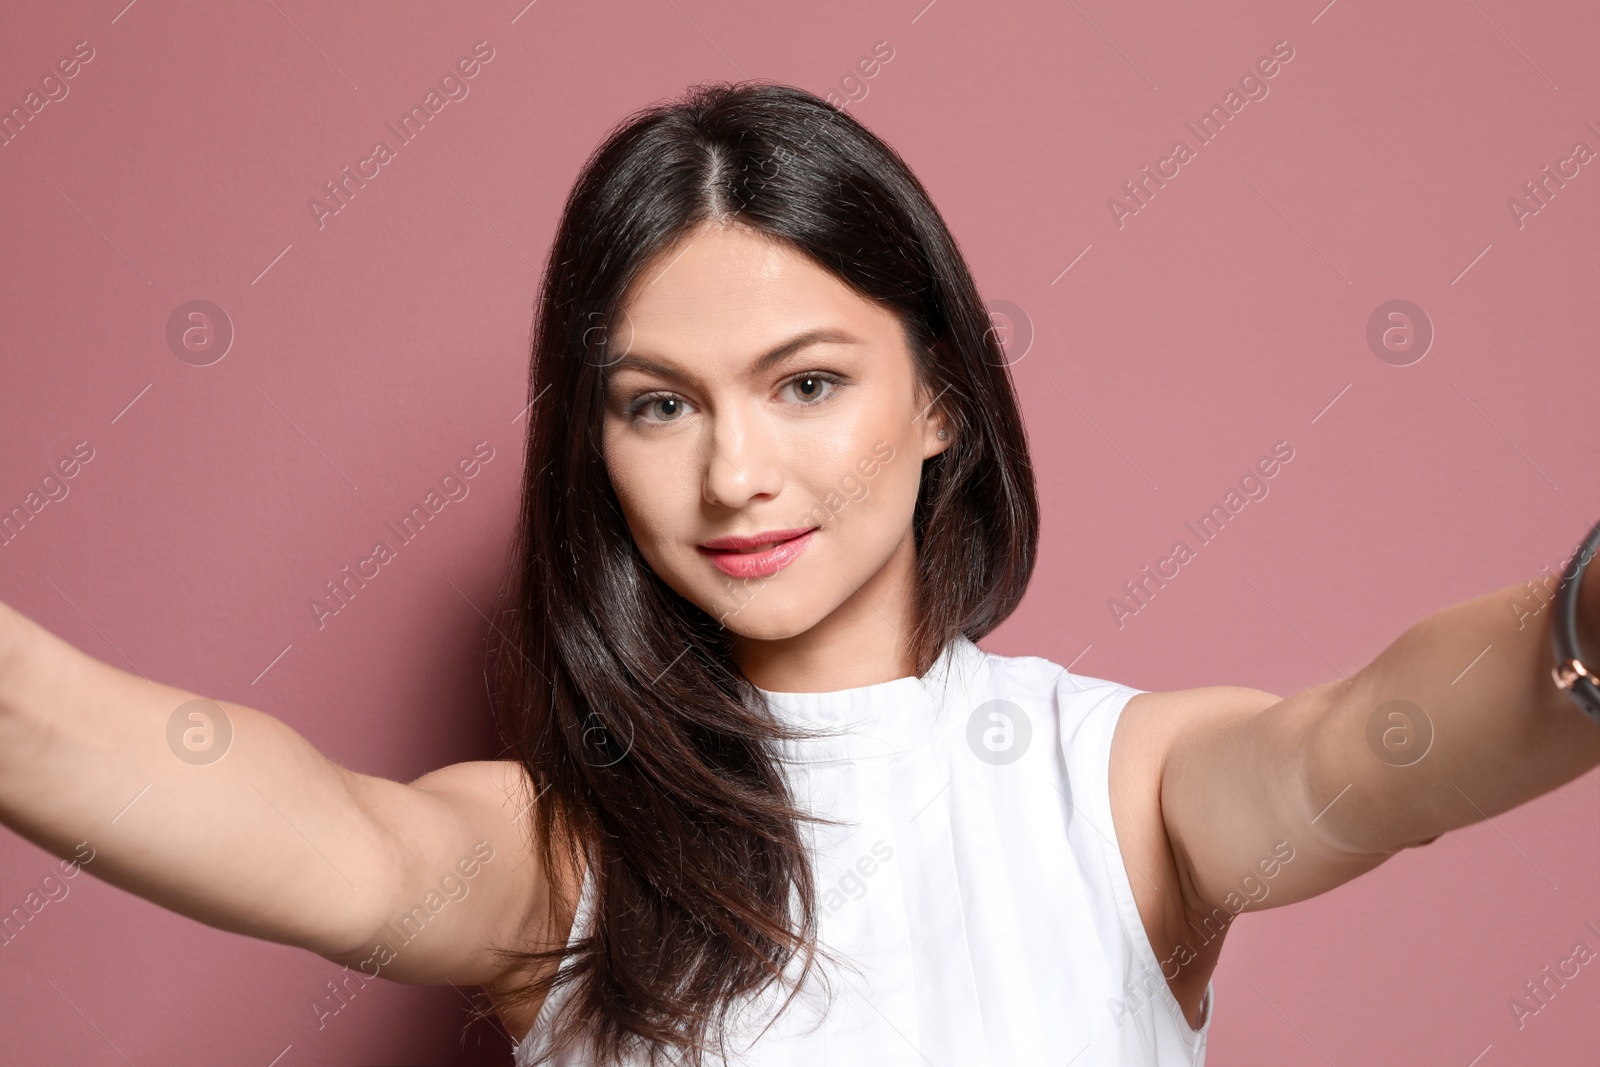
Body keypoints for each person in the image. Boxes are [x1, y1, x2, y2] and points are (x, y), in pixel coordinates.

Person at [0, 81, 1596, 1067]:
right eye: (657, 405)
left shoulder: (1118, 784)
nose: (734, 474)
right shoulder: (559, 851)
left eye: (808, 383)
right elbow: (183, 784)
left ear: (941, 400)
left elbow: (1382, 741)